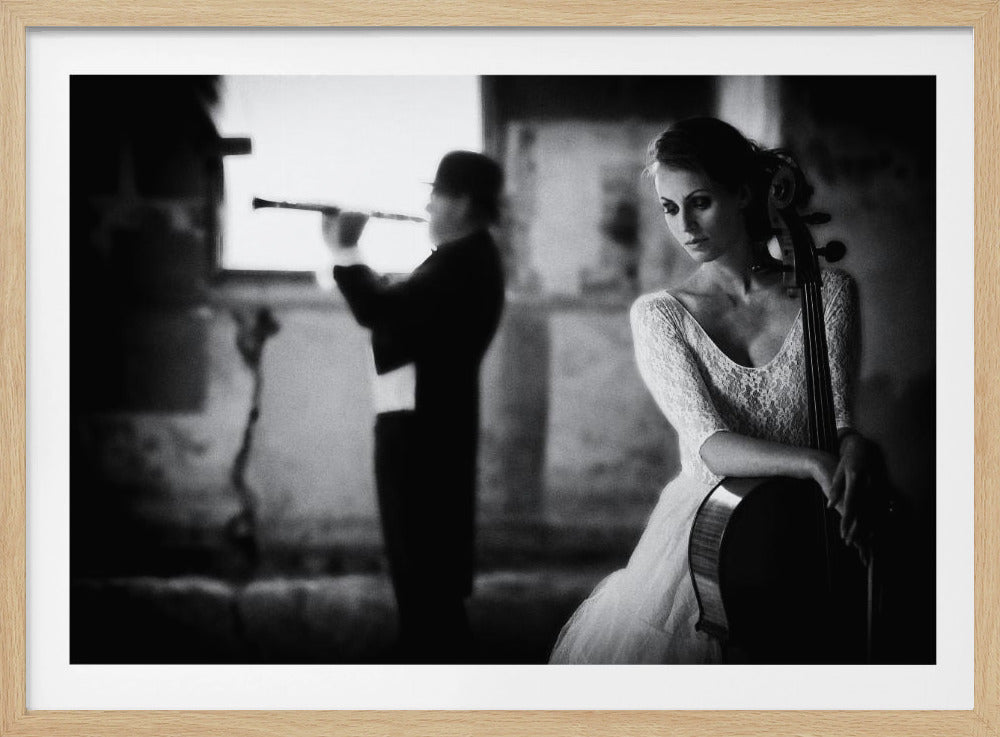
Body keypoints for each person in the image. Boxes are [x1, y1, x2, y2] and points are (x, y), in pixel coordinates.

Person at [549, 118, 876, 664]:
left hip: (805, 532)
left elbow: (840, 418)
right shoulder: (661, 316)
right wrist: (814, 463)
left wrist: (852, 445)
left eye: (700, 202)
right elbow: (710, 444)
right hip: (713, 539)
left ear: (744, 193)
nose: (685, 226)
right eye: (670, 208)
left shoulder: (829, 294)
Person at [330, 151, 506, 663]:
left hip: (424, 438)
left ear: (464, 203)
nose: (427, 205)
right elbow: (406, 312)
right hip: (427, 427)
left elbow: (383, 311)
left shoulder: (462, 262)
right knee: (423, 569)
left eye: (437, 195)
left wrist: (346, 249)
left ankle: (430, 675)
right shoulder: (465, 260)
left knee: (423, 565)